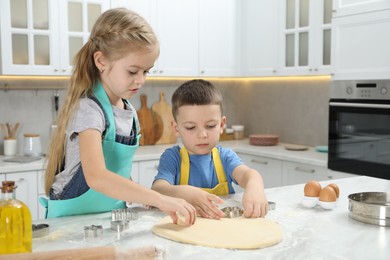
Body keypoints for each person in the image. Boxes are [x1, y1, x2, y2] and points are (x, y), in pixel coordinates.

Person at [41, 8, 196, 225]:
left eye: (146, 71)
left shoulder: (128, 112)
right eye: (133, 72)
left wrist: (139, 195)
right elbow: (96, 176)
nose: (141, 80)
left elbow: (116, 171)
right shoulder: (89, 109)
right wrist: (158, 198)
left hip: (110, 217)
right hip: (72, 221)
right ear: (101, 61)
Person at [151, 79, 268, 219]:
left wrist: (255, 188)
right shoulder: (173, 158)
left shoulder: (225, 157)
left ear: (222, 125)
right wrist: (187, 193)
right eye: (191, 127)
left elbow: (249, 175)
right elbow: (158, 189)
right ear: (176, 129)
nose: (202, 135)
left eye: (211, 125)